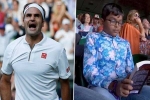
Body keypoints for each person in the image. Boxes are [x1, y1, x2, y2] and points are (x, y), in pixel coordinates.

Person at [0, 3, 71, 100]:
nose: (32, 18)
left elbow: (65, 83)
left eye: (37, 16)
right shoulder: (12, 47)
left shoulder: (57, 49)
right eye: (28, 15)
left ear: (42, 23)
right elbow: (4, 81)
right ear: (23, 21)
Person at [83, 3, 150, 100]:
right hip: (103, 86)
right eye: (113, 21)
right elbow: (89, 71)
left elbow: (130, 69)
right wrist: (112, 85)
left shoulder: (125, 43)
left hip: (123, 87)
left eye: (119, 22)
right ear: (102, 21)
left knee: (147, 92)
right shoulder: (93, 38)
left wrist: (136, 78)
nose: (117, 26)